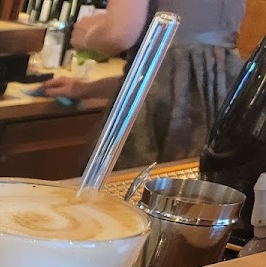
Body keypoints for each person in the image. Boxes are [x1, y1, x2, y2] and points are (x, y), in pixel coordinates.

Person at [43, 0, 246, 168]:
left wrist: (86, 36)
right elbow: (178, 71)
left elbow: (120, 34)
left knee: (126, 194)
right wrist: (86, 89)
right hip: (228, 94)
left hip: (159, 117)